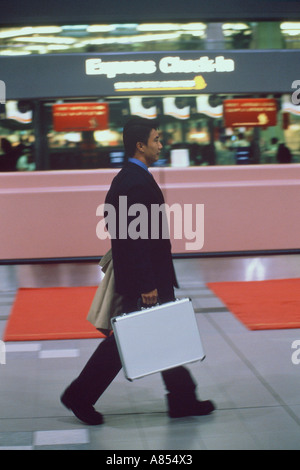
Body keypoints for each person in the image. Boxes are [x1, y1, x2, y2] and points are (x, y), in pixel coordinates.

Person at [61, 117, 215, 425]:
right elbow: (134, 239)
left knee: (162, 335)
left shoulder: (131, 178)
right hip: (147, 280)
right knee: (124, 341)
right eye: (157, 139)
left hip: (148, 276)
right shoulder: (134, 182)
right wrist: (147, 284)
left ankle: (182, 399)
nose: (161, 144)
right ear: (140, 145)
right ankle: (79, 395)